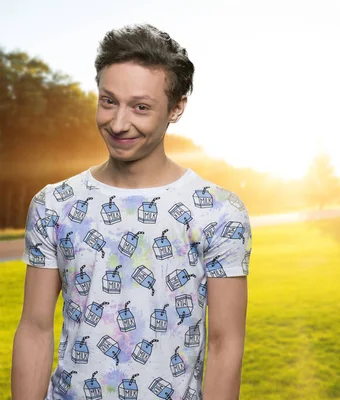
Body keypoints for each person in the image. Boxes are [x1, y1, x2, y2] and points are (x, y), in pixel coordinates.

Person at [11, 23, 252, 400]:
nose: (119, 123)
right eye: (108, 101)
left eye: (140, 107)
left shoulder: (219, 213)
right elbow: (35, 328)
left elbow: (225, 345)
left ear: (176, 108)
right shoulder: (54, 205)